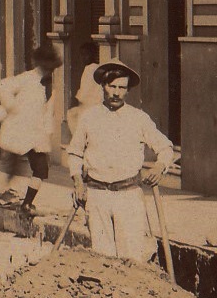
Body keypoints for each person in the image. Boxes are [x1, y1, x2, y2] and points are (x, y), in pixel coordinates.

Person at [65, 60, 178, 260]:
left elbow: (165, 147)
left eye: (122, 88)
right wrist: (78, 183)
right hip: (97, 195)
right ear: (103, 86)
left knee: (131, 257)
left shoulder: (138, 118)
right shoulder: (89, 117)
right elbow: (75, 153)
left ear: (127, 90)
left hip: (128, 196)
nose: (116, 93)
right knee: (102, 257)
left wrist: (159, 166)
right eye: (112, 86)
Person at [0, 42, 64, 220]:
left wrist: (48, 132)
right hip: (21, 131)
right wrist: (13, 107)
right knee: (16, 167)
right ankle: (11, 198)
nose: (49, 70)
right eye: (47, 66)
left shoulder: (50, 85)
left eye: (51, 67)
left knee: (40, 169)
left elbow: (48, 111)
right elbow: (0, 87)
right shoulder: (27, 78)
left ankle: (26, 203)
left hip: (36, 135)